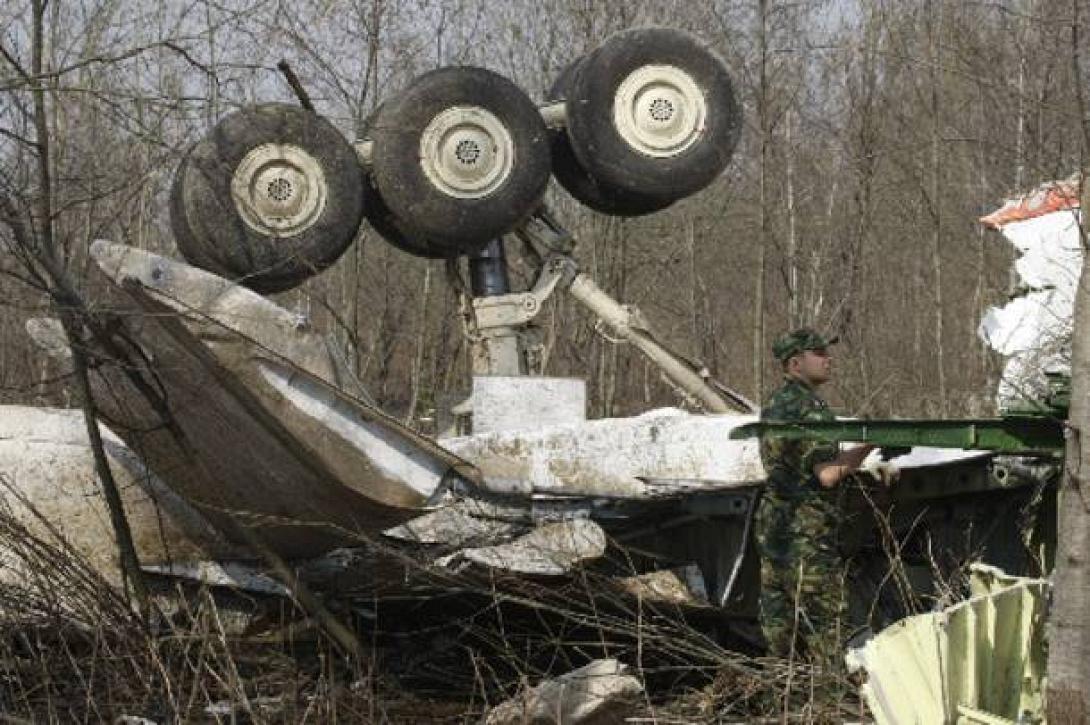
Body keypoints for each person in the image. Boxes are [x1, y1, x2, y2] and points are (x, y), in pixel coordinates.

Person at [756, 327, 875, 663]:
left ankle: (781, 704)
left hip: (773, 531)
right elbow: (827, 474)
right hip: (806, 537)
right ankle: (827, 706)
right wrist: (870, 445)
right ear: (795, 364)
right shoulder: (810, 410)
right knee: (825, 630)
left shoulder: (776, 405)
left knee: (780, 632)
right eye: (819, 354)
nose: (828, 359)